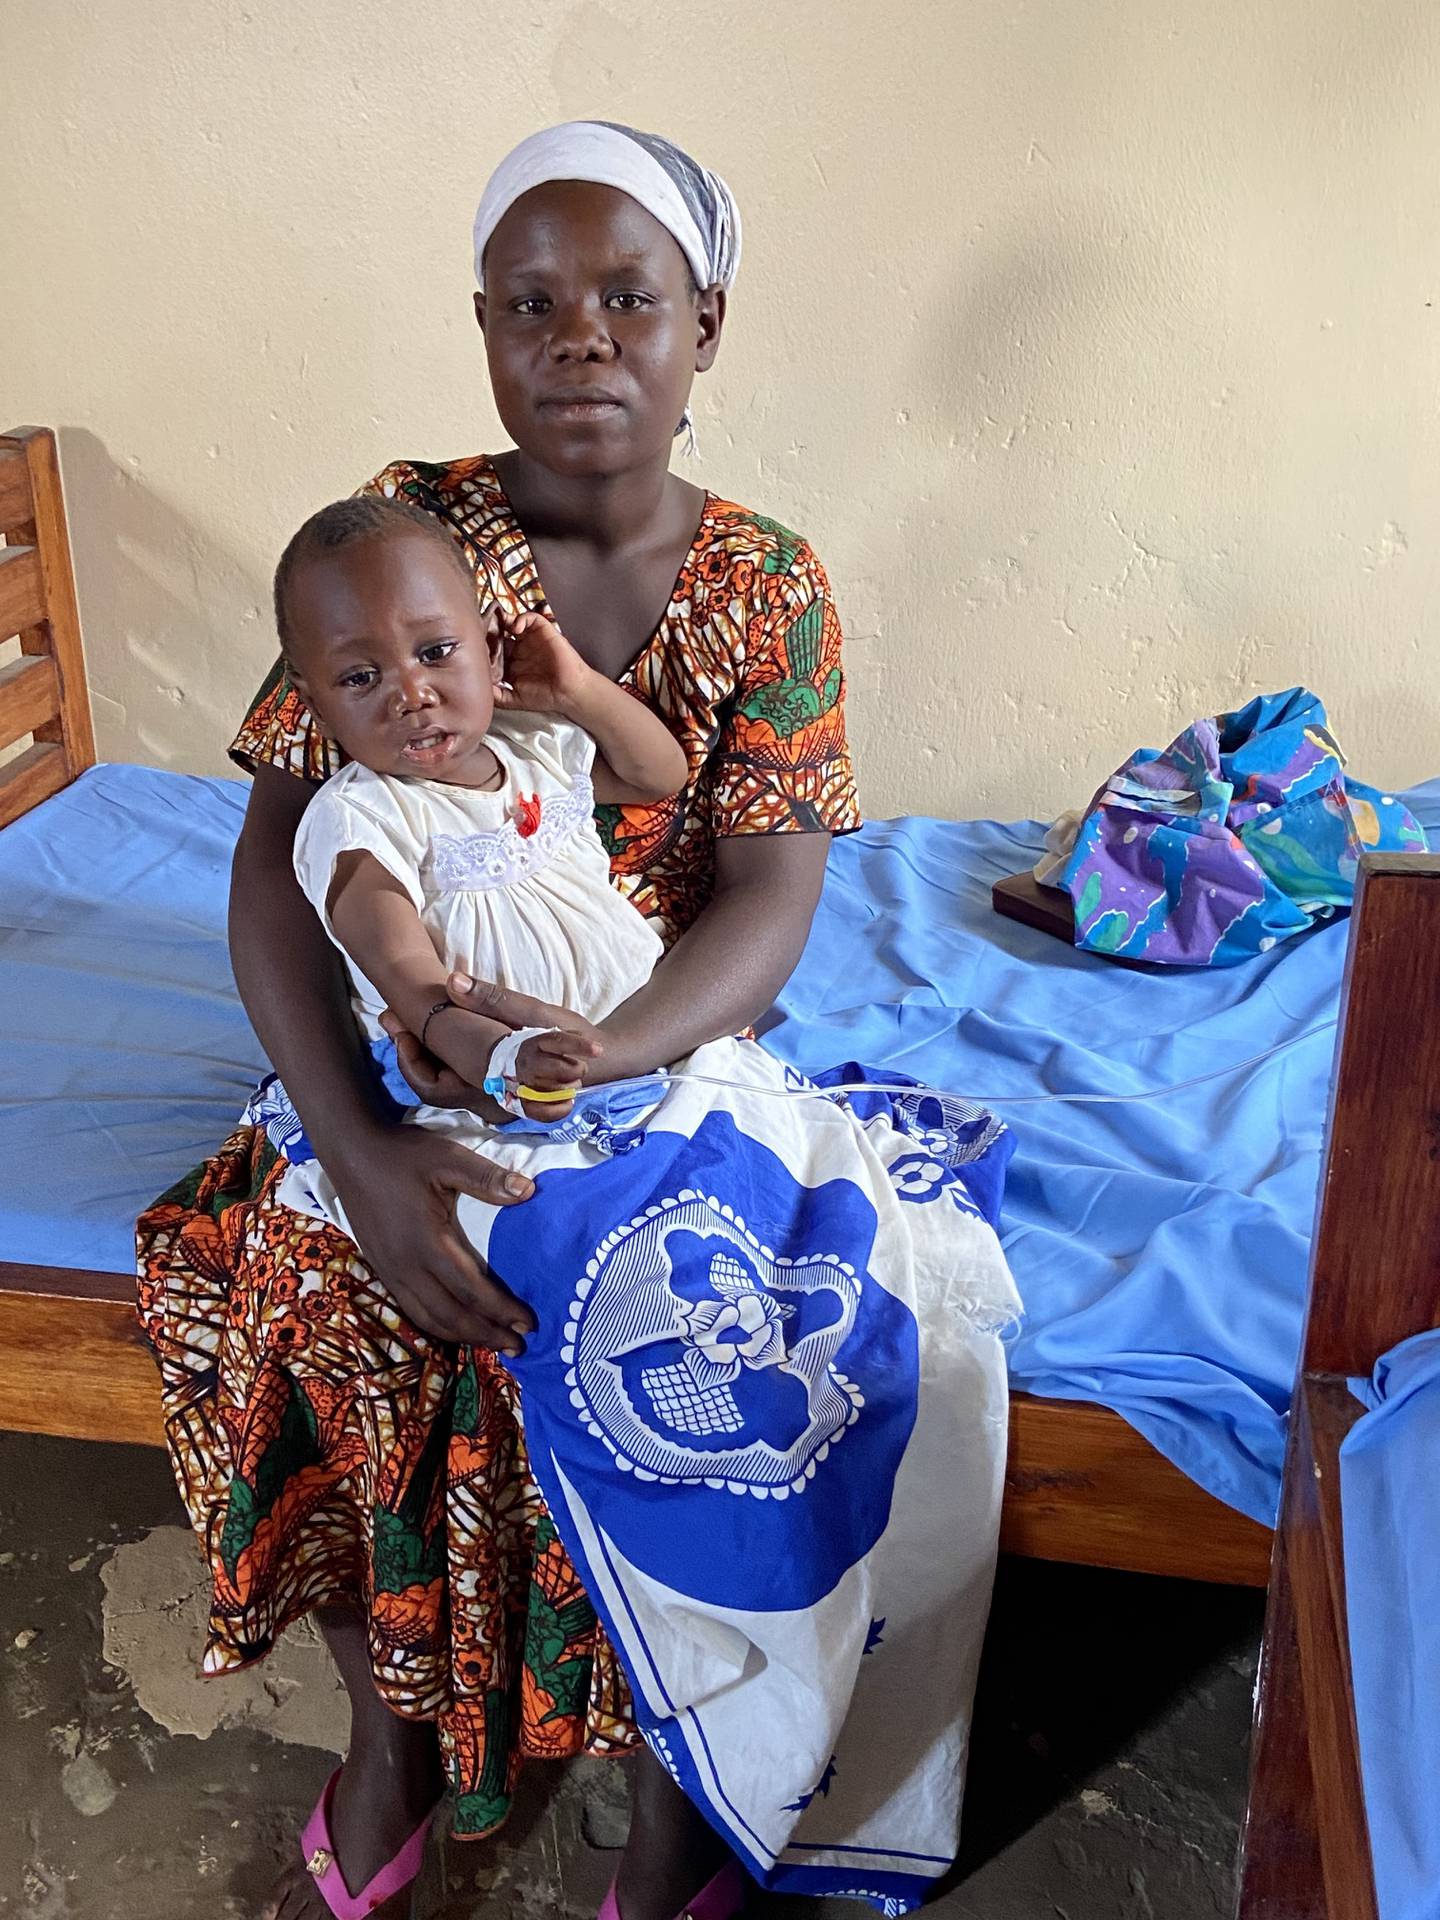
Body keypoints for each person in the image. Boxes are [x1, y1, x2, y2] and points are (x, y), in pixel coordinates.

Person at [135, 122, 998, 1920]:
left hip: (651, 1033)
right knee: (346, 1276)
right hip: (418, 1031)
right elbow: (281, 869)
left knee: (733, 1312)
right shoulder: (401, 532)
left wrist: (607, 1058)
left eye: (631, 300)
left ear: (710, 327)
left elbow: (767, 893)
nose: (583, 338)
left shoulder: (772, 581)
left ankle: (680, 1771)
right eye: (535, 305)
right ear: (483, 329)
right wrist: (367, 1152)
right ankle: (394, 1729)